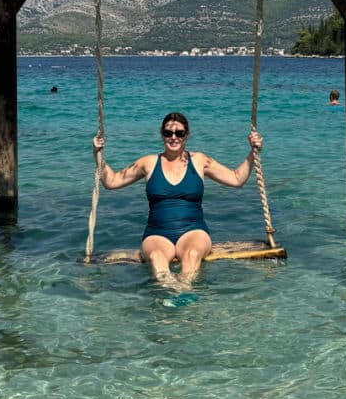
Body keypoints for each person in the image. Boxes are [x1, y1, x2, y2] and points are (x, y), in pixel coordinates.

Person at [92, 111, 262, 289]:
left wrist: (253, 152)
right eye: (168, 133)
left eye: (179, 133)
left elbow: (236, 179)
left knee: (192, 254)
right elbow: (111, 181)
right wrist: (97, 153)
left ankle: (182, 292)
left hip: (193, 231)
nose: (173, 138)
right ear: (162, 134)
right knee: (156, 257)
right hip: (157, 233)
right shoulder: (148, 163)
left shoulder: (199, 161)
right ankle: (172, 292)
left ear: (186, 135)